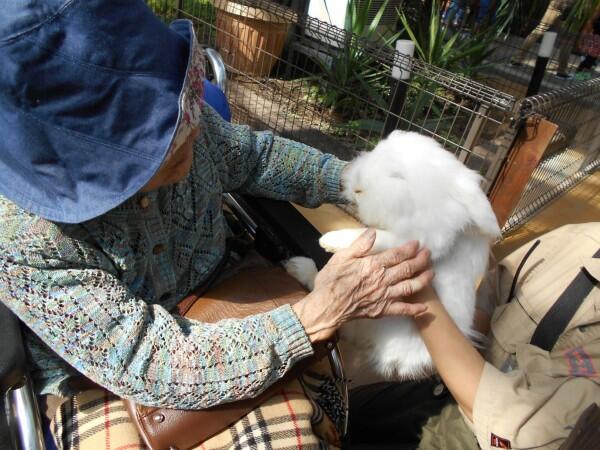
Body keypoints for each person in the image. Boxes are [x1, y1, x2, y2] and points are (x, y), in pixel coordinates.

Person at [0, 1, 434, 449]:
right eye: (154, 141)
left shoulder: (189, 123)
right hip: (99, 374)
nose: (190, 129)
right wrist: (317, 314)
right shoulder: (21, 236)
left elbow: (257, 157)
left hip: (225, 296)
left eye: (178, 110)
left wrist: (361, 183)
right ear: (80, 163)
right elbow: (148, 360)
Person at [347, 222, 600, 449]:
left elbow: (518, 426)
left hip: (478, 434)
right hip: (442, 387)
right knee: (349, 412)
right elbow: (495, 291)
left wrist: (415, 283)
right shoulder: (579, 241)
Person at [510, 0, 578, 78]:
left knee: (540, 29)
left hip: (557, 3)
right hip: (572, 6)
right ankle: (561, 71)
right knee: (567, 39)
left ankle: (517, 59)